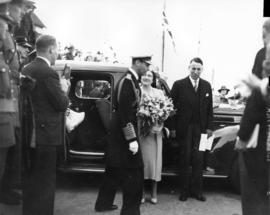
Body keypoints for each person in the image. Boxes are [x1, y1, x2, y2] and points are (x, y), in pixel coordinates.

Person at [95, 56, 151, 215]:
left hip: (118, 135)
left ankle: (103, 204)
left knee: (113, 170)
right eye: (146, 64)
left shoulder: (131, 80)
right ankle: (130, 212)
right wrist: (132, 139)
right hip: (124, 136)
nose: (147, 68)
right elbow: (125, 114)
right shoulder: (127, 81)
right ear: (137, 62)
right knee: (136, 173)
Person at [22, 34, 69, 215]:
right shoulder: (48, 72)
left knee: (32, 180)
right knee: (46, 183)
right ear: (50, 49)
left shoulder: (27, 68)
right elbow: (61, 104)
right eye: (56, 50)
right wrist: (64, 89)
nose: (57, 54)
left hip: (30, 133)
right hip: (46, 136)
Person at [234, 18, 270, 215]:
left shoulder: (265, 54)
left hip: (265, 137)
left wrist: (243, 135)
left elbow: (256, 100)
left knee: (255, 192)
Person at [170, 57, 213, 202]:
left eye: (198, 69)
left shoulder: (207, 86)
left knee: (198, 160)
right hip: (185, 129)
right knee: (185, 159)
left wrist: (209, 127)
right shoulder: (179, 85)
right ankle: (184, 191)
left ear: (202, 70)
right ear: (189, 68)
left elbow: (209, 109)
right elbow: (171, 108)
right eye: (193, 68)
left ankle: (197, 191)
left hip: (201, 130)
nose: (196, 71)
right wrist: (173, 128)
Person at [0, 0, 25, 205]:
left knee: (8, 149)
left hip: (9, 103)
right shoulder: (0, 29)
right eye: (20, 7)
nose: (23, 12)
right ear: (7, 7)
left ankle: (6, 191)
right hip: (3, 103)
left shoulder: (6, 31)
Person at [138, 70, 166, 204]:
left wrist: (159, 125)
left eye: (149, 75)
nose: (146, 77)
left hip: (155, 132)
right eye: (144, 75)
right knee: (142, 163)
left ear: (153, 78)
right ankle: (142, 192)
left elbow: (164, 111)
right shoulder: (136, 91)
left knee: (155, 163)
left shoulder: (159, 93)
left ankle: (154, 192)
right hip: (141, 132)